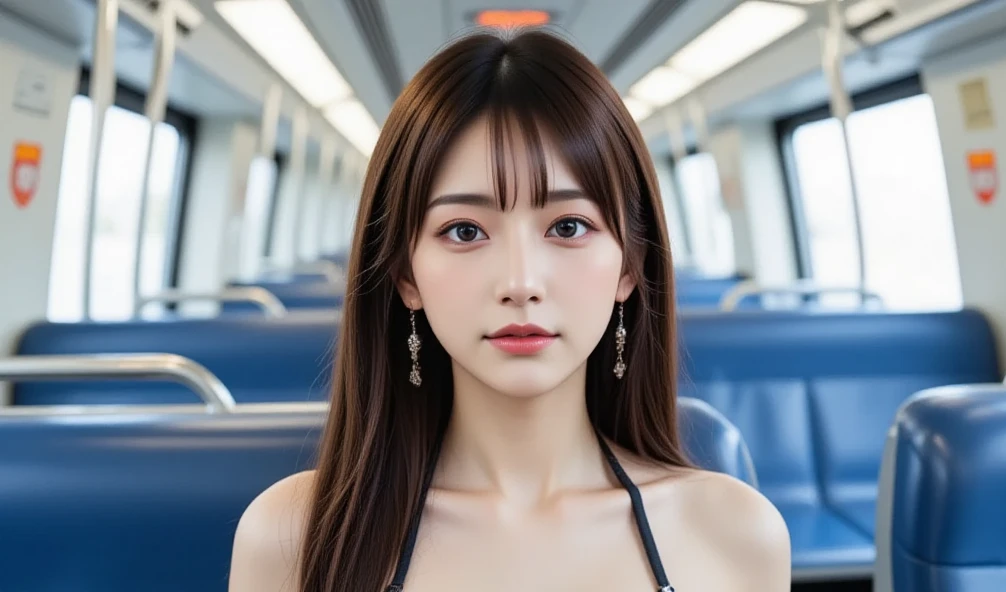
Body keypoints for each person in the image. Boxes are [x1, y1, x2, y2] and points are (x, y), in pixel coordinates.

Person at [228, 28, 790, 592]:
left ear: (628, 268)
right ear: (405, 275)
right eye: (465, 231)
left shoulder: (736, 535)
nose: (520, 283)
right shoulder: (292, 539)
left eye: (568, 227)